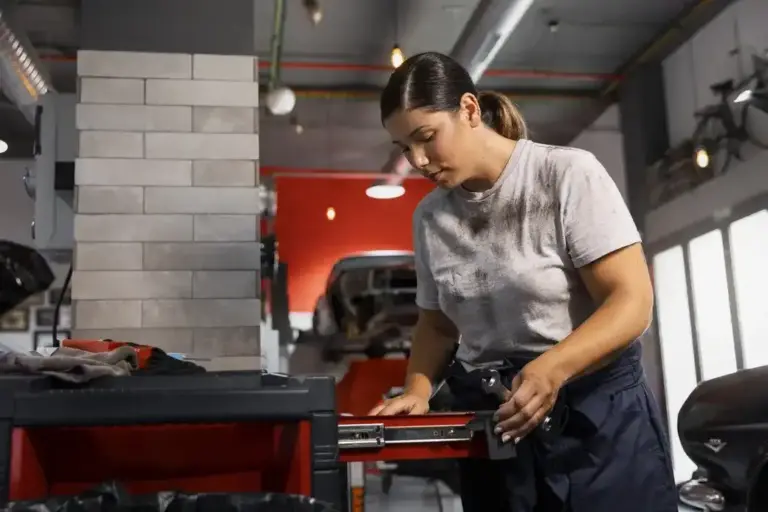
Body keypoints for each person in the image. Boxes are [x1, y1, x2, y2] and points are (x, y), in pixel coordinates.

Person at [368, 52, 679, 512]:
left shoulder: (565, 176)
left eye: (426, 138)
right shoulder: (430, 216)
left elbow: (631, 302)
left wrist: (552, 368)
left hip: (597, 428)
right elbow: (436, 325)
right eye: (403, 148)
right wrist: (416, 391)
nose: (417, 160)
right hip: (498, 429)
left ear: (470, 110)